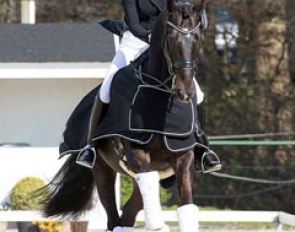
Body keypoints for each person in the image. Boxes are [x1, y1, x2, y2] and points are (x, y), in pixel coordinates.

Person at [76, 0, 221, 173]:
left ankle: (202, 148)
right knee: (106, 88)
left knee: (199, 93)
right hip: (135, 43)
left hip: (167, 42)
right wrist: (150, 36)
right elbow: (133, 23)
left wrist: (198, 16)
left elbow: (186, 14)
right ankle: (90, 146)